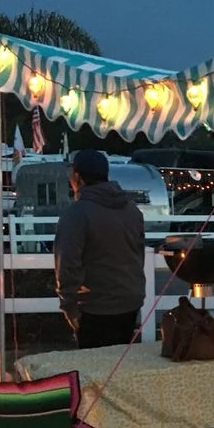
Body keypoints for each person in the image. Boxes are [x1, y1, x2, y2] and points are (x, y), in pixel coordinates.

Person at [54, 149, 145, 349]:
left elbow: (67, 263)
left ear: (77, 177)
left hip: (95, 307)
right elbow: (138, 256)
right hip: (130, 301)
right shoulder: (132, 210)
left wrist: (69, 307)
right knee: (121, 361)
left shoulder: (77, 214)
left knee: (96, 365)